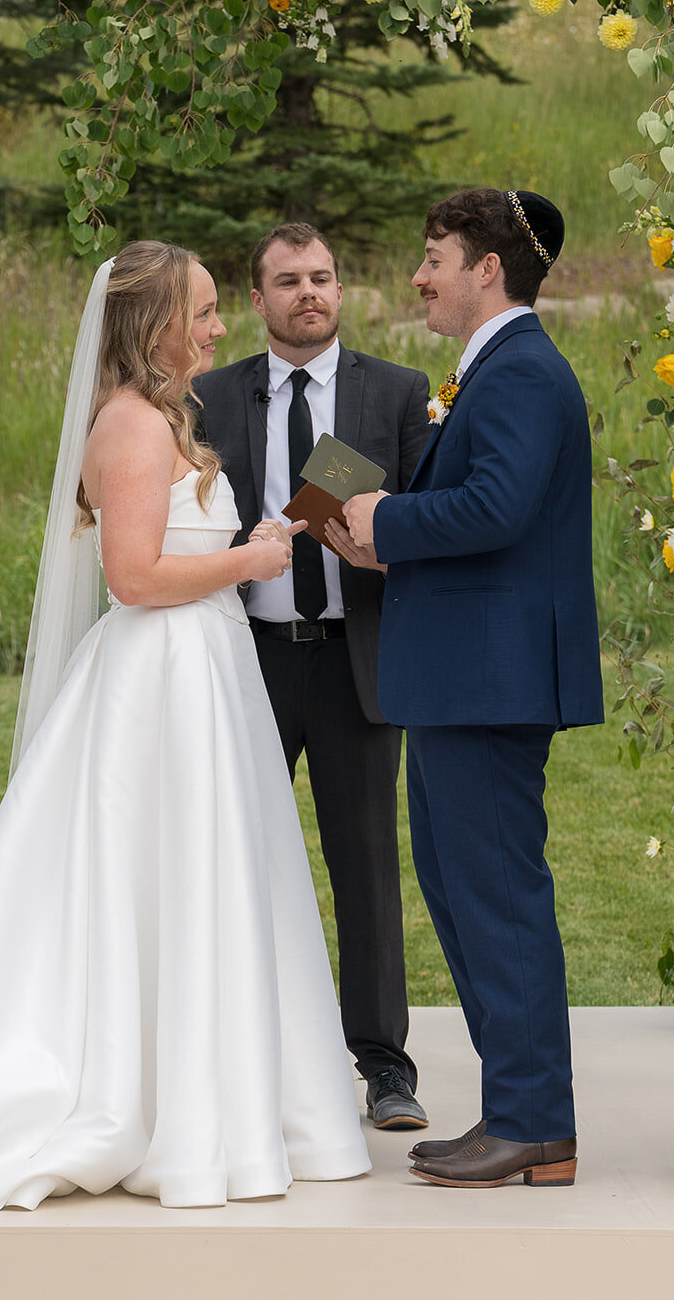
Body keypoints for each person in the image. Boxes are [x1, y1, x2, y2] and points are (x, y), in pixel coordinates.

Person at [0, 242, 371, 1217]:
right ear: (155, 324)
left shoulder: (167, 416)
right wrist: (247, 562)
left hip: (204, 672)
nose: (220, 328)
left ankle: (222, 1101)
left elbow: (173, 547)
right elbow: (132, 578)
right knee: (159, 880)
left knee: (213, 880)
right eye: (203, 311)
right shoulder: (129, 424)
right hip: (161, 679)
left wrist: (253, 542)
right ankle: (151, 1106)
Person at [341, 188, 603, 1187]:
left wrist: (386, 519)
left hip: (488, 682)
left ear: (487, 269)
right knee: (463, 895)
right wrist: (378, 535)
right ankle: (516, 1110)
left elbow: (496, 505)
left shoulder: (523, 370)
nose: (419, 276)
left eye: (434, 257)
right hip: (460, 677)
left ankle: (534, 1123)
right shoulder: (492, 369)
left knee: (495, 897)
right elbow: (482, 507)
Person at [194, 223, 431, 1129]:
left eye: (323, 277)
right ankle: (234, 1054)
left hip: (353, 657)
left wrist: (382, 545)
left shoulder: (396, 393)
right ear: (257, 300)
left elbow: (426, 520)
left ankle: (385, 1067)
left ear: (342, 289)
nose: (309, 293)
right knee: (233, 856)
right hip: (244, 657)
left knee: (365, 865)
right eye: (289, 280)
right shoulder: (211, 396)